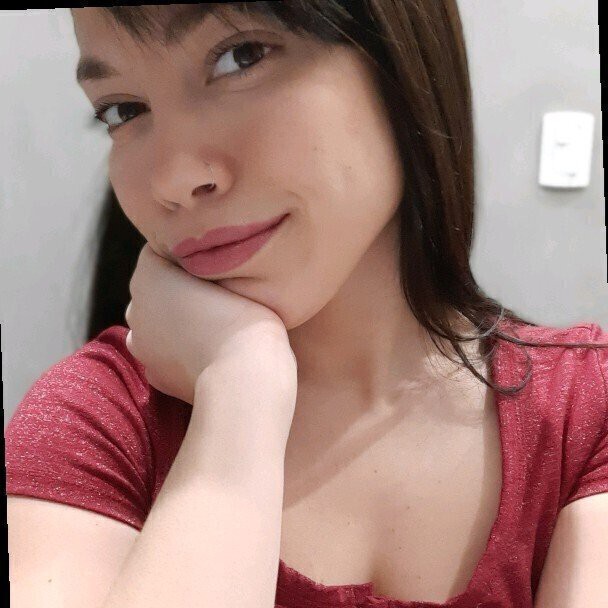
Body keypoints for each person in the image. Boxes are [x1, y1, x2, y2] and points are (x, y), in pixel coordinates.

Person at [6, 4, 608, 608]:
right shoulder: (98, 422)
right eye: (123, 110)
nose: (173, 178)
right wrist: (240, 389)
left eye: (241, 57)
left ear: (399, 62)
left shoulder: (582, 414)